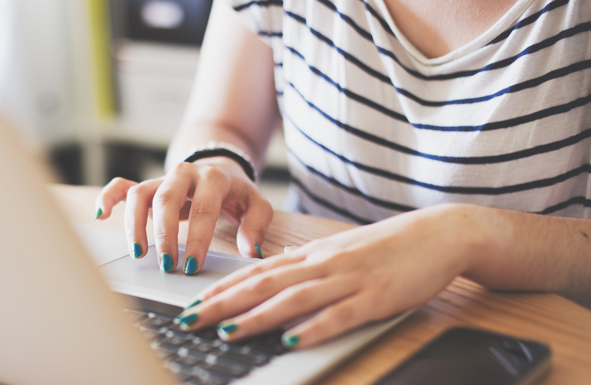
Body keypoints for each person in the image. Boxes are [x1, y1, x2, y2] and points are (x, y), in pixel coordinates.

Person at [95, 0, 591, 350]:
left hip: (509, 350)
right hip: (312, 322)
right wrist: (215, 165)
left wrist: (465, 233)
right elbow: (222, 123)